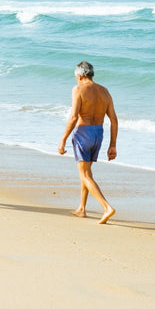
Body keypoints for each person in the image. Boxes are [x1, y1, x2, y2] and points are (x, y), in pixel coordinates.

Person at [58, 61, 118, 224]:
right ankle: (82, 209)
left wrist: (63, 139)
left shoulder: (78, 89)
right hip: (98, 134)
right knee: (86, 174)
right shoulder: (104, 91)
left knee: (84, 174)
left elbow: (74, 117)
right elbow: (113, 119)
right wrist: (113, 145)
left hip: (83, 134)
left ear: (79, 76)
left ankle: (106, 207)